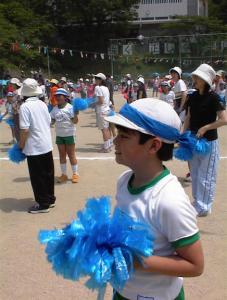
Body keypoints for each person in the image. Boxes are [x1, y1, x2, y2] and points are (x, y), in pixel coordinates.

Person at [105, 98, 204, 300]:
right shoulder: (124, 181)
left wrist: (136, 260)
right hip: (123, 291)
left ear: (153, 146)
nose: (115, 141)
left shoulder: (169, 201)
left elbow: (195, 265)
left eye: (123, 136)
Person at [183, 64, 227, 217]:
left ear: (205, 80)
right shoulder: (192, 96)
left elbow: (224, 119)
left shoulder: (214, 97)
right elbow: (188, 117)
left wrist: (205, 128)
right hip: (194, 140)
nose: (194, 79)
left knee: (206, 175)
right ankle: (197, 203)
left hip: (208, 142)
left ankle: (204, 206)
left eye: (197, 77)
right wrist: (183, 134)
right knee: (194, 173)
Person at [19, 78, 55, 213]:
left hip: (34, 147)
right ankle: (50, 199)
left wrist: (21, 146)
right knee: (48, 173)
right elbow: (48, 121)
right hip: (46, 143)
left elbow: (24, 130)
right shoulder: (42, 104)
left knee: (37, 176)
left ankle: (43, 204)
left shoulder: (25, 107)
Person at [50, 88, 79, 183]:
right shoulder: (54, 109)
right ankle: (64, 174)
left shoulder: (70, 108)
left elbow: (75, 121)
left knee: (71, 155)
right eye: (56, 96)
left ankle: (75, 174)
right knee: (62, 155)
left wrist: (75, 114)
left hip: (69, 134)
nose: (57, 97)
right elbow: (52, 121)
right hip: (59, 135)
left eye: (60, 95)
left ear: (65, 97)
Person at [94, 73, 111, 152]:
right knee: (106, 129)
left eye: (97, 78)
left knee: (104, 130)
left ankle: (106, 148)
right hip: (107, 110)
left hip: (101, 111)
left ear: (101, 80)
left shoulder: (97, 87)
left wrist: (92, 104)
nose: (95, 80)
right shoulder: (106, 88)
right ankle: (108, 146)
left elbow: (100, 101)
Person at [10, 78, 22, 142]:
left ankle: (20, 143)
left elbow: (14, 105)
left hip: (17, 112)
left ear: (15, 85)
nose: (11, 85)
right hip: (22, 111)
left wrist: (13, 113)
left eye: (12, 84)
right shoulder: (21, 90)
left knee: (17, 129)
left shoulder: (15, 92)